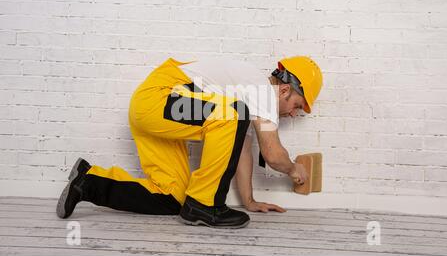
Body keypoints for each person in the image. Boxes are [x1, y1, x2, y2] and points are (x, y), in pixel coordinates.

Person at [56, 56, 323, 228]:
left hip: (156, 115)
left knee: (173, 197)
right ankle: (205, 205)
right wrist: (293, 171)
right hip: (157, 99)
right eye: (297, 105)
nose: (293, 113)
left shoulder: (248, 99)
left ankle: (87, 182)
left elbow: (241, 151)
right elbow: (273, 153)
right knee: (233, 115)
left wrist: (250, 201)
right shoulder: (261, 90)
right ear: (285, 89)